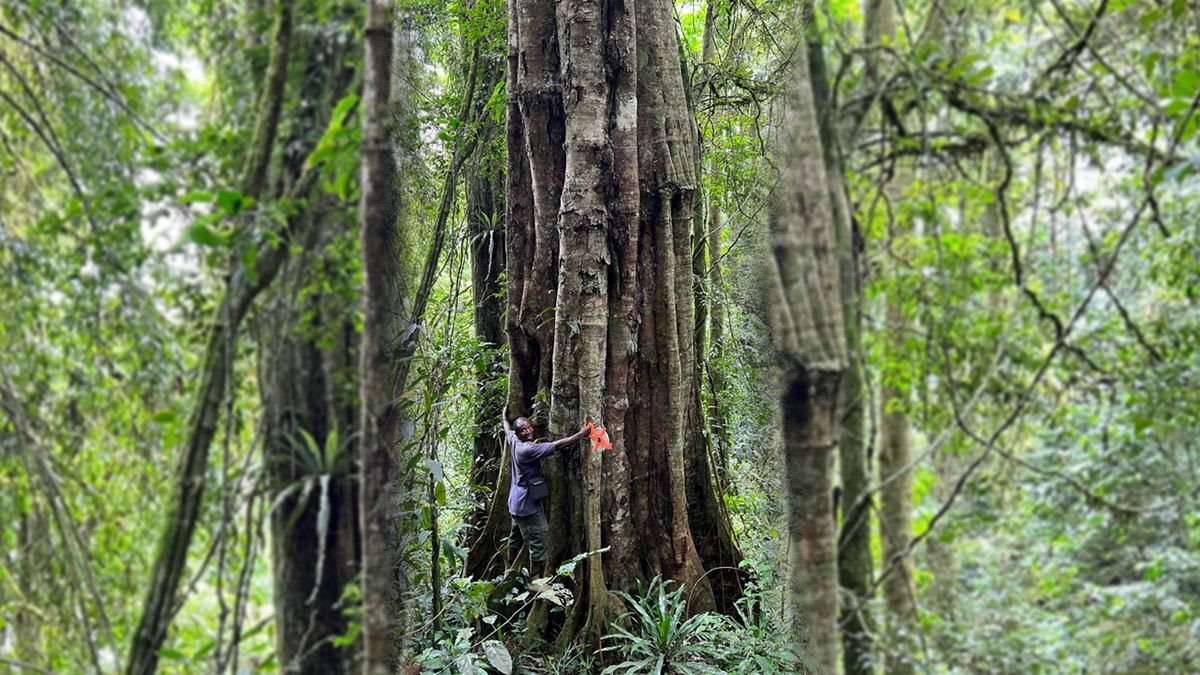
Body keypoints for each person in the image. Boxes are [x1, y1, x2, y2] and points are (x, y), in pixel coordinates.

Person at [502, 405, 589, 580]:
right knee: (540, 540)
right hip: (527, 506)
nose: (528, 432)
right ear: (518, 433)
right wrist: (580, 435)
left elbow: (506, 428)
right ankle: (534, 583)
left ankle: (509, 569)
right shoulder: (527, 449)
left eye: (529, 428)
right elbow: (557, 445)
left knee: (516, 537)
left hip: (515, 503)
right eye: (523, 431)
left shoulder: (513, 439)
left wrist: (504, 417)